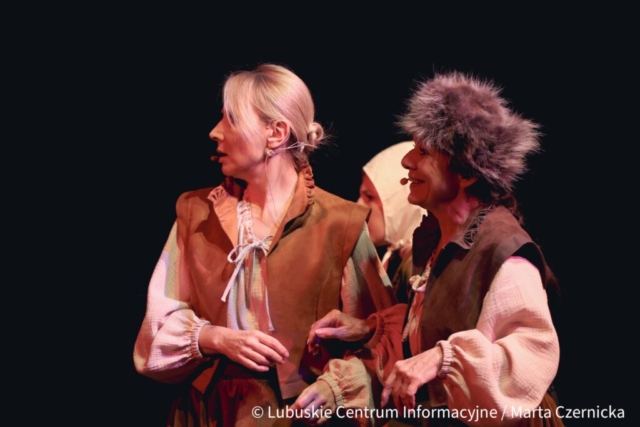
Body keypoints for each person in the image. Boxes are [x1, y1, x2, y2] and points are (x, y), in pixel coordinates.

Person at [133, 63, 396, 426]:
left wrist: (336, 387)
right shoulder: (196, 213)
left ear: (276, 133)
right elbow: (155, 330)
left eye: (231, 119)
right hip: (208, 412)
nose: (215, 132)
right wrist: (214, 337)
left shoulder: (340, 223)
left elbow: (383, 337)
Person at [307, 71, 562, 426]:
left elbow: (530, 356)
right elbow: (437, 322)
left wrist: (444, 358)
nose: (407, 161)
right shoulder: (439, 236)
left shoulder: (502, 248)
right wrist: (368, 328)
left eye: (423, 151)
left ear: (466, 173)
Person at [357, 142, 427, 303]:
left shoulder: (418, 266)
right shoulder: (400, 258)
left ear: (399, 202)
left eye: (369, 197)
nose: (359, 205)